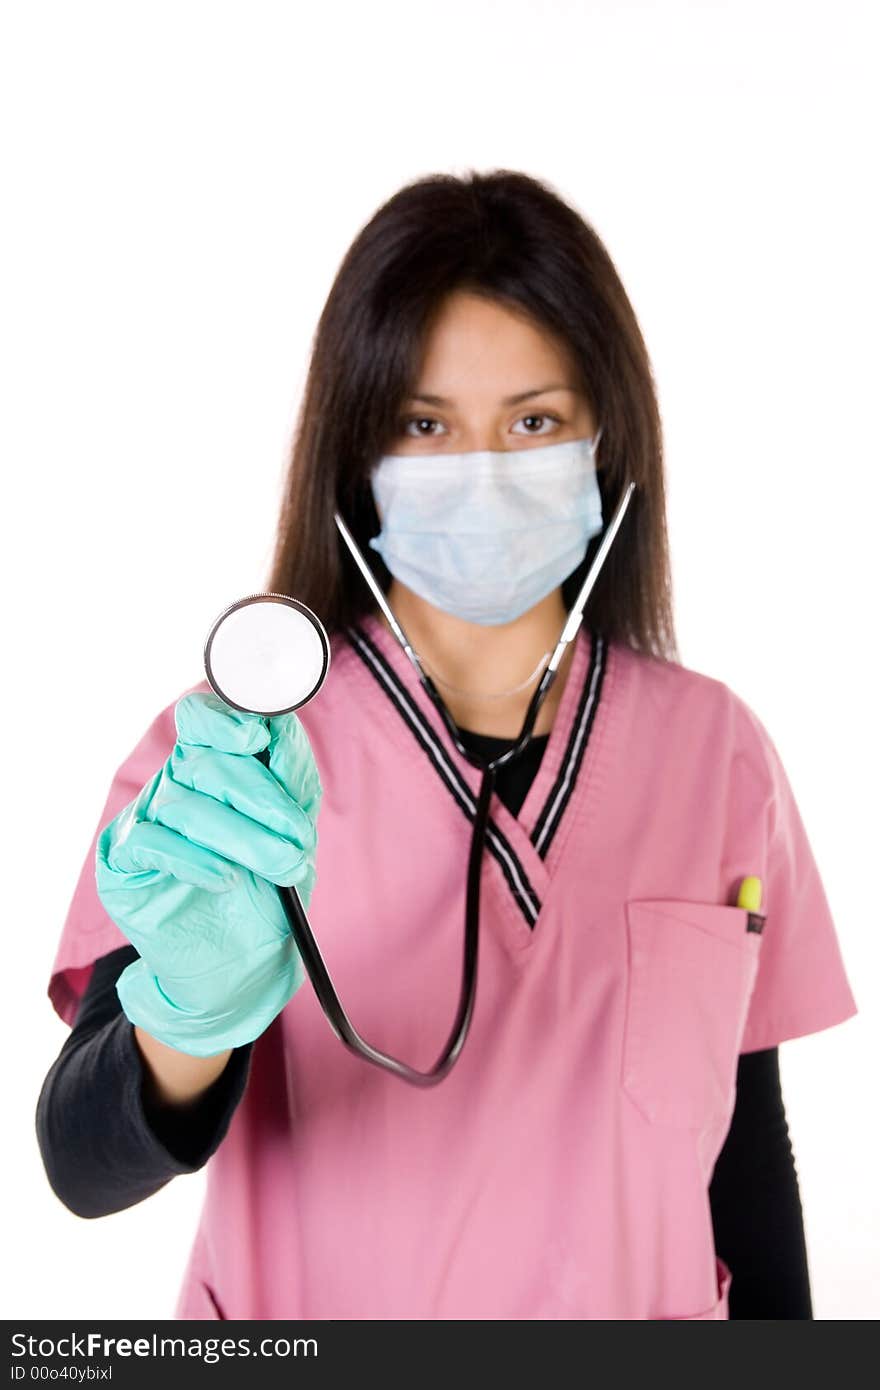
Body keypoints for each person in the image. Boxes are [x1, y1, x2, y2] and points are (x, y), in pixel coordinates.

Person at [36, 169, 857, 1321]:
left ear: (605, 439)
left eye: (533, 421)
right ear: (356, 450)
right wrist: (188, 1015)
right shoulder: (229, 757)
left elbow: (744, 1153)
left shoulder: (711, 750)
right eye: (424, 424)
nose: (481, 471)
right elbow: (82, 1168)